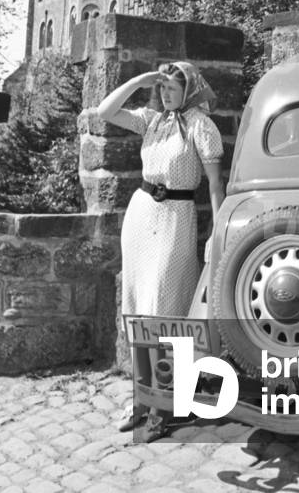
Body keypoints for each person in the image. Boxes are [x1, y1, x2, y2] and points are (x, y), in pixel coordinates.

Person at [96, 61, 225, 442]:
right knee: (138, 308)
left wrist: (217, 231)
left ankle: (163, 407)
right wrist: (140, 81)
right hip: (141, 216)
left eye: (172, 87)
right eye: (162, 87)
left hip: (175, 218)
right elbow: (105, 111)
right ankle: (142, 399)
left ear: (189, 89)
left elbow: (215, 184)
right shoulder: (152, 121)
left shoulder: (201, 125)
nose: (165, 93)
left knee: (165, 310)